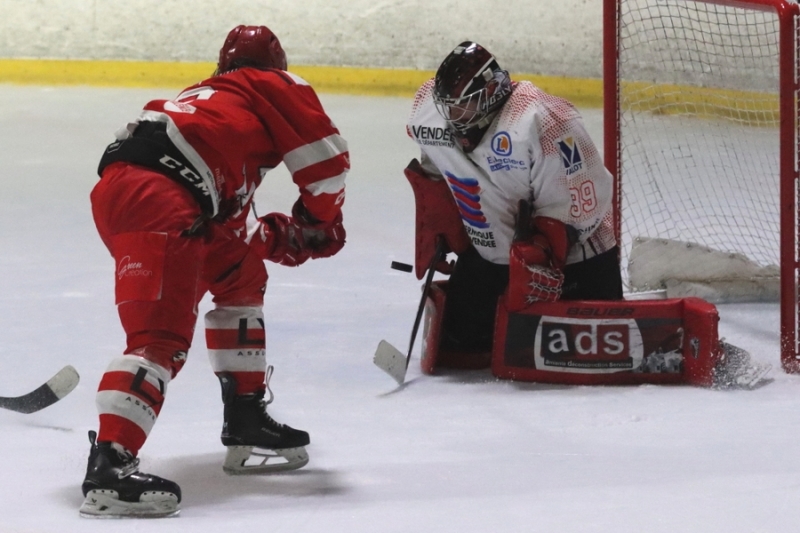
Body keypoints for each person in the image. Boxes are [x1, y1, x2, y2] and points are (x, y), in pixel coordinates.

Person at [80, 25, 349, 518]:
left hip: (143, 190)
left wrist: (281, 239)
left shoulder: (212, 106)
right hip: (159, 199)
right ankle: (110, 467)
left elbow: (233, 225)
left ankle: (245, 417)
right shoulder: (270, 85)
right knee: (159, 336)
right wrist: (318, 224)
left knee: (240, 276)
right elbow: (326, 166)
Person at [405, 41, 622, 363]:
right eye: (447, 106)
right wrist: (436, 219)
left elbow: (586, 202)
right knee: (459, 351)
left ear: (493, 91)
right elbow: (434, 164)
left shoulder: (544, 121)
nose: (451, 117)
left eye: (462, 106)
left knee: (585, 362)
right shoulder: (429, 108)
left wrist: (542, 253)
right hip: (490, 255)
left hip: (577, 260)